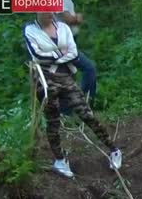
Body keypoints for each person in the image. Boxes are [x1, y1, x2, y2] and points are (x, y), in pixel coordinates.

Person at [23, 13, 122, 179]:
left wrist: (54, 58)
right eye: (45, 10)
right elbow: (37, 55)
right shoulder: (30, 30)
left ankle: (114, 150)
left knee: (86, 113)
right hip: (45, 81)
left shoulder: (63, 28)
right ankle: (60, 160)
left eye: (51, 10)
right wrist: (61, 54)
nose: (49, 13)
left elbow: (74, 53)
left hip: (65, 77)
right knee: (53, 120)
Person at [45, 0, 97, 108]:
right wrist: (77, 18)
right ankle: (82, 104)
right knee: (89, 69)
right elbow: (68, 19)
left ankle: (67, 110)